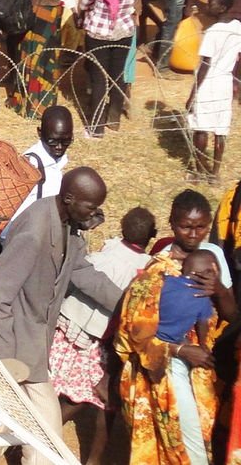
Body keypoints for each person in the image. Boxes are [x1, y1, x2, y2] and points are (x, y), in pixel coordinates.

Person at [0, 167, 123, 465]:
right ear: (70, 198)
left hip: (33, 343)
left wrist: (127, 301)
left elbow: (82, 271)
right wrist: (6, 360)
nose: (94, 213)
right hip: (17, 346)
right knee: (45, 436)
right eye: (91, 206)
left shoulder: (68, 224)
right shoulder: (36, 231)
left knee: (7, 422)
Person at [117, 191, 236, 465]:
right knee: (183, 443)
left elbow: (231, 314)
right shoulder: (158, 270)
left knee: (197, 434)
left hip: (201, 367)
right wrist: (182, 350)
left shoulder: (213, 256)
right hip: (162, 369)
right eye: (186, 226)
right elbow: (133, 333)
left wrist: (218, 289)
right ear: (172, 223)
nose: (194, 234)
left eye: (201, 227)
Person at [48, 207, 156, 465]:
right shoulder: (145, 269)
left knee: (55, 382)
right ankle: (52, 432)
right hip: (97, 338)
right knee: (89, 394)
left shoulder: (108, 250)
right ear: (152, 235)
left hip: (68, 324)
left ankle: (38, 427)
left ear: (121, 227)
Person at [77, 0, 140, 136]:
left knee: (98, 79)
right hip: (124, 32)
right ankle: (114, 119)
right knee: (117, 76)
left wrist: (82, 9)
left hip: (98, 33)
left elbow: (85, 3)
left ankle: (96, 127)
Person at [186, 0, 241, 183]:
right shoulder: (237, 28)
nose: (207, 6)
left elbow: (205, 66)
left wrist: (193, 94)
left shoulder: (213, 32)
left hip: (209, 82)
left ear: (223, 8)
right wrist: (236, 82)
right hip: (225, 82)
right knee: (220, 128)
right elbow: (238, 59)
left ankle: (199, 171)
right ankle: (215, 173)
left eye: (211, 3)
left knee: (201, 128)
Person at [5, 106, 73, 232]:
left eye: (66, 141)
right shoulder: (30, 168)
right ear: (40, 133)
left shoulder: (56, 161)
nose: (59, 147)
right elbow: (10, 224)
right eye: (53, 141)